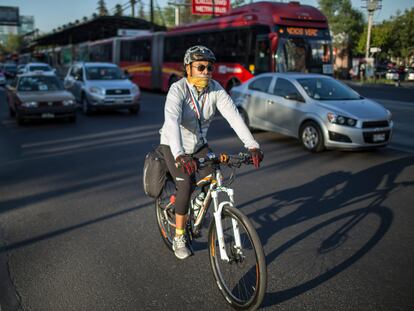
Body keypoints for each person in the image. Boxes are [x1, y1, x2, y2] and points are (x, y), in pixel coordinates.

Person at [159, 45, 263, 259]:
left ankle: (197, 205)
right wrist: (179, 154)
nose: (206, 72)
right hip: (173, 145)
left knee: (215, 176)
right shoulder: (178, 90)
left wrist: (252, 145)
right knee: (185, 184)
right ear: (188, 68)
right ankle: (179, 235)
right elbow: (171, 122)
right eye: (201, 67)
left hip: (198, 145)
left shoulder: (215, 89)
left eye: (209, 68)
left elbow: (233, 116)